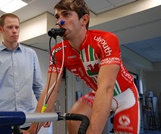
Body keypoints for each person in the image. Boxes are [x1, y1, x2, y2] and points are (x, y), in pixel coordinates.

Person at [25, 0, 140, 133]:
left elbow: (107, 88)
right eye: (57, 17)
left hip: (125, 95)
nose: (60, 22)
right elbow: (49, 92)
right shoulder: (57, 51)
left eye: (66, 15)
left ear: (84, 19)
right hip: (97, 92)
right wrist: (32, 130)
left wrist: (93, 130)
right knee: (74, 118)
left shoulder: (106, 40)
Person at [0, 13, 44, 131]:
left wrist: (45, 112)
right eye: (10, 27)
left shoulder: (31, 55)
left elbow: (39, 87)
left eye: (17, 27)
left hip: (27, 120)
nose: (14, 31)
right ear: (1, 29)